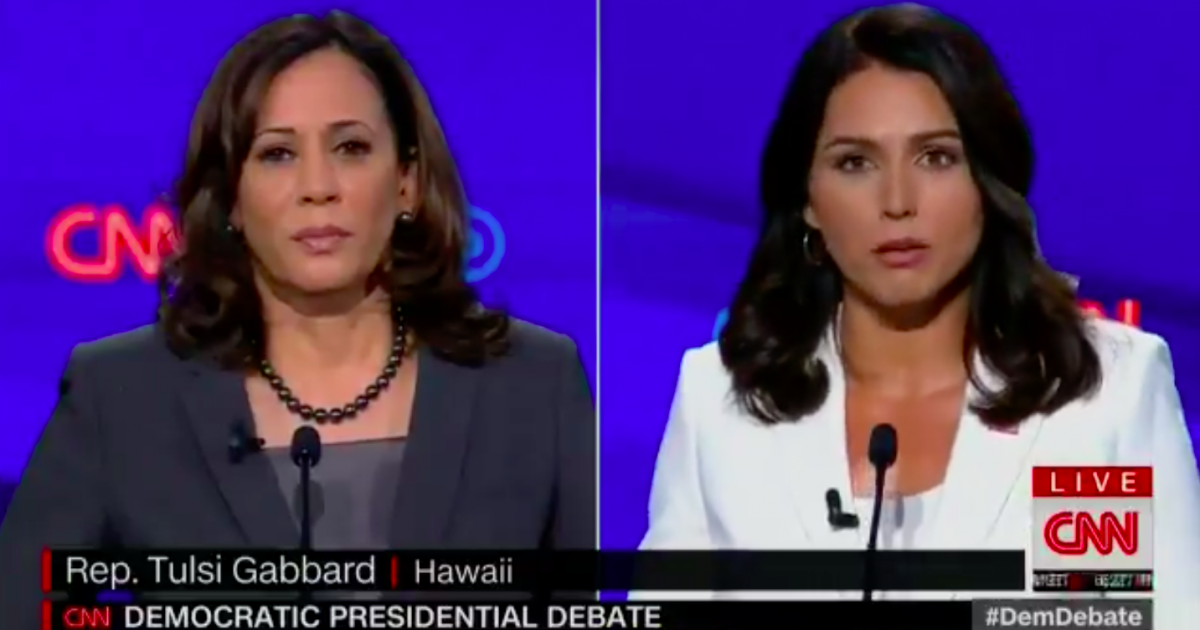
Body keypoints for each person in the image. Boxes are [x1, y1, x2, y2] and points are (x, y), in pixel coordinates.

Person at [0, 10, 594, 623]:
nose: (317, 186)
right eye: (277, 153)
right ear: (231, 197)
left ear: (407, 182)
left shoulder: (533, 386)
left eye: (351, 148)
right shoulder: (123, 397)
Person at [639, 2, 1199, 613]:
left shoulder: (1105, 395)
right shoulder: (720, 401)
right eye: (855, 163)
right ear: (808, 201)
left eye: (935, 157)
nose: (898, 201)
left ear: (987, 181)